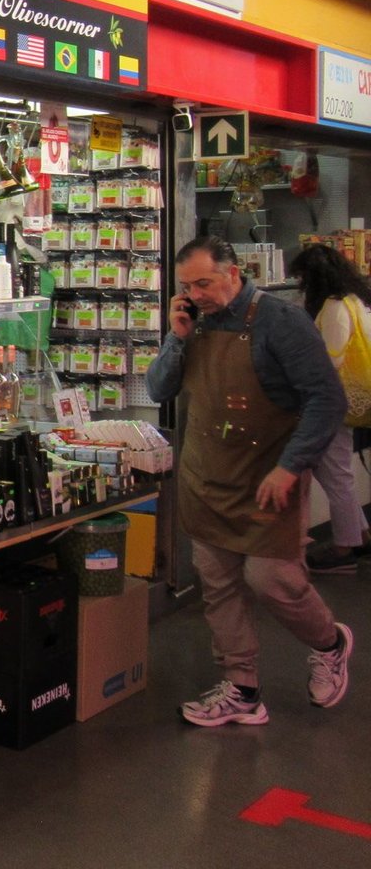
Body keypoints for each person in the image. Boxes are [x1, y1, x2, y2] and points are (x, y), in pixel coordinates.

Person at [147, 236, 352, 726]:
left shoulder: (281, 322)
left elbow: (328, 401)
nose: (195, 294)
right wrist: (176, 337)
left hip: (266, 481)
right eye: (187, 286)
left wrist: (291, 466)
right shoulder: (192, 325)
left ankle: (331, 643)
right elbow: (158, 388)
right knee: (218, 586)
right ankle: (242, 688)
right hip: (206, 480)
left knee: (273, 580)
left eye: (204, 282)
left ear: (234, 273)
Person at [288, 242, 371, 572]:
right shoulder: (357, 301)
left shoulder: (335, 308)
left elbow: (329, 361)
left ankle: (344, 547)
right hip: (348, 399)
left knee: (334, 473)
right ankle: (359, 534)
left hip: (332, 403)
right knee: (337, 471)